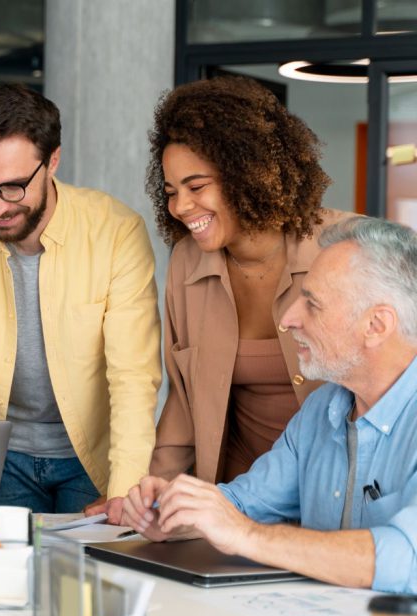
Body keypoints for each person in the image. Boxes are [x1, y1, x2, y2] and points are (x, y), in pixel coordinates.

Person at [123, 217, 417, 593]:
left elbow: (408, 559)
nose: (288, 319)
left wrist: (245, 534)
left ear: (376, 325)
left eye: (312, 304)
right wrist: (176, 512)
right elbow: (245, 503)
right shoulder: (321, 409)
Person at [0, 83, 161, 516]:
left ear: (52, 161)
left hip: (91, 459)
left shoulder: (117, 232)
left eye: (12, 188)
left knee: (85, 578)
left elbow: (133, 375)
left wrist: (124, 490)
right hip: (4, 459)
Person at [145, 76, 353, 493]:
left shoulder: (350, 249)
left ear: (249, 173)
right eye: (171, 191)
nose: (181, 207)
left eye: (197, 186)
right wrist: (151, 491)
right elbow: (184, 405)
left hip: (333, 493)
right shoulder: (187, 262)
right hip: (236, 496)